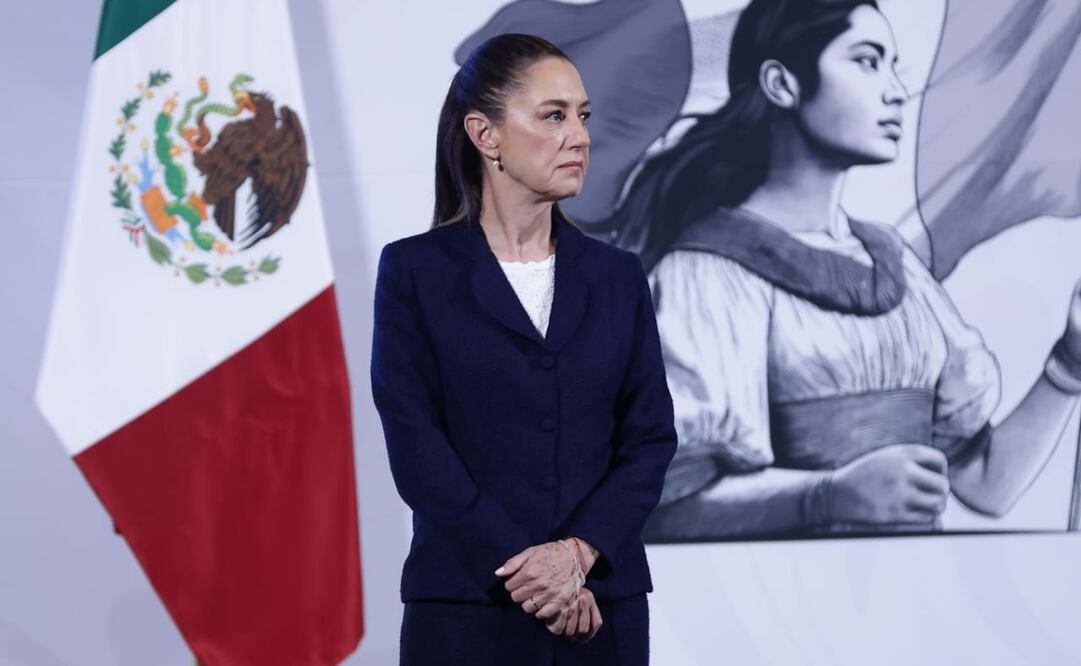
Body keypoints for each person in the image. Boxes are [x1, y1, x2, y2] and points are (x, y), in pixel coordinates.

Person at [590, 0, 1081, 540]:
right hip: (786, 609)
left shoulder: (895, 265)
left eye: (894, 65)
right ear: (782, 83)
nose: (895, 90)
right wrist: (828, 495)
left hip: (922, 601)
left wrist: (1070, 361)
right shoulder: (705, 273)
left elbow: (987, 485)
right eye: (868, 62)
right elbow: (665, 507)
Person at [370, 33, 676, 664]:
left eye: (583, 116)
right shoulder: (414, 272)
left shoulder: (617, 276)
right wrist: (534, 576)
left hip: (600, 615)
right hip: (465, 610)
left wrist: (576, 556)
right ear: (486, 136)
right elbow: (416, 444)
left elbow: (649, 440)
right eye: (554, 116)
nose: (581, 136)